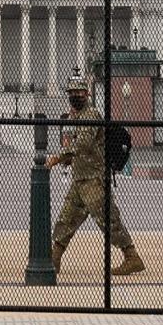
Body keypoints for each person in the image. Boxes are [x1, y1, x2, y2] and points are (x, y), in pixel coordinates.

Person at [46, 76, 143, 276]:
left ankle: (132, 256)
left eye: (78, 93)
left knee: (108, 220)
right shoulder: (80, 116)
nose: (74, 96)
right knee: (66, 219)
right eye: (71, 93)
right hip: (80, 179)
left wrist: (58, 158)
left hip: (94, 180)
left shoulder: (91, 114)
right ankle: (54, 259)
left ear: (87, 94)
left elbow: (83, 144)